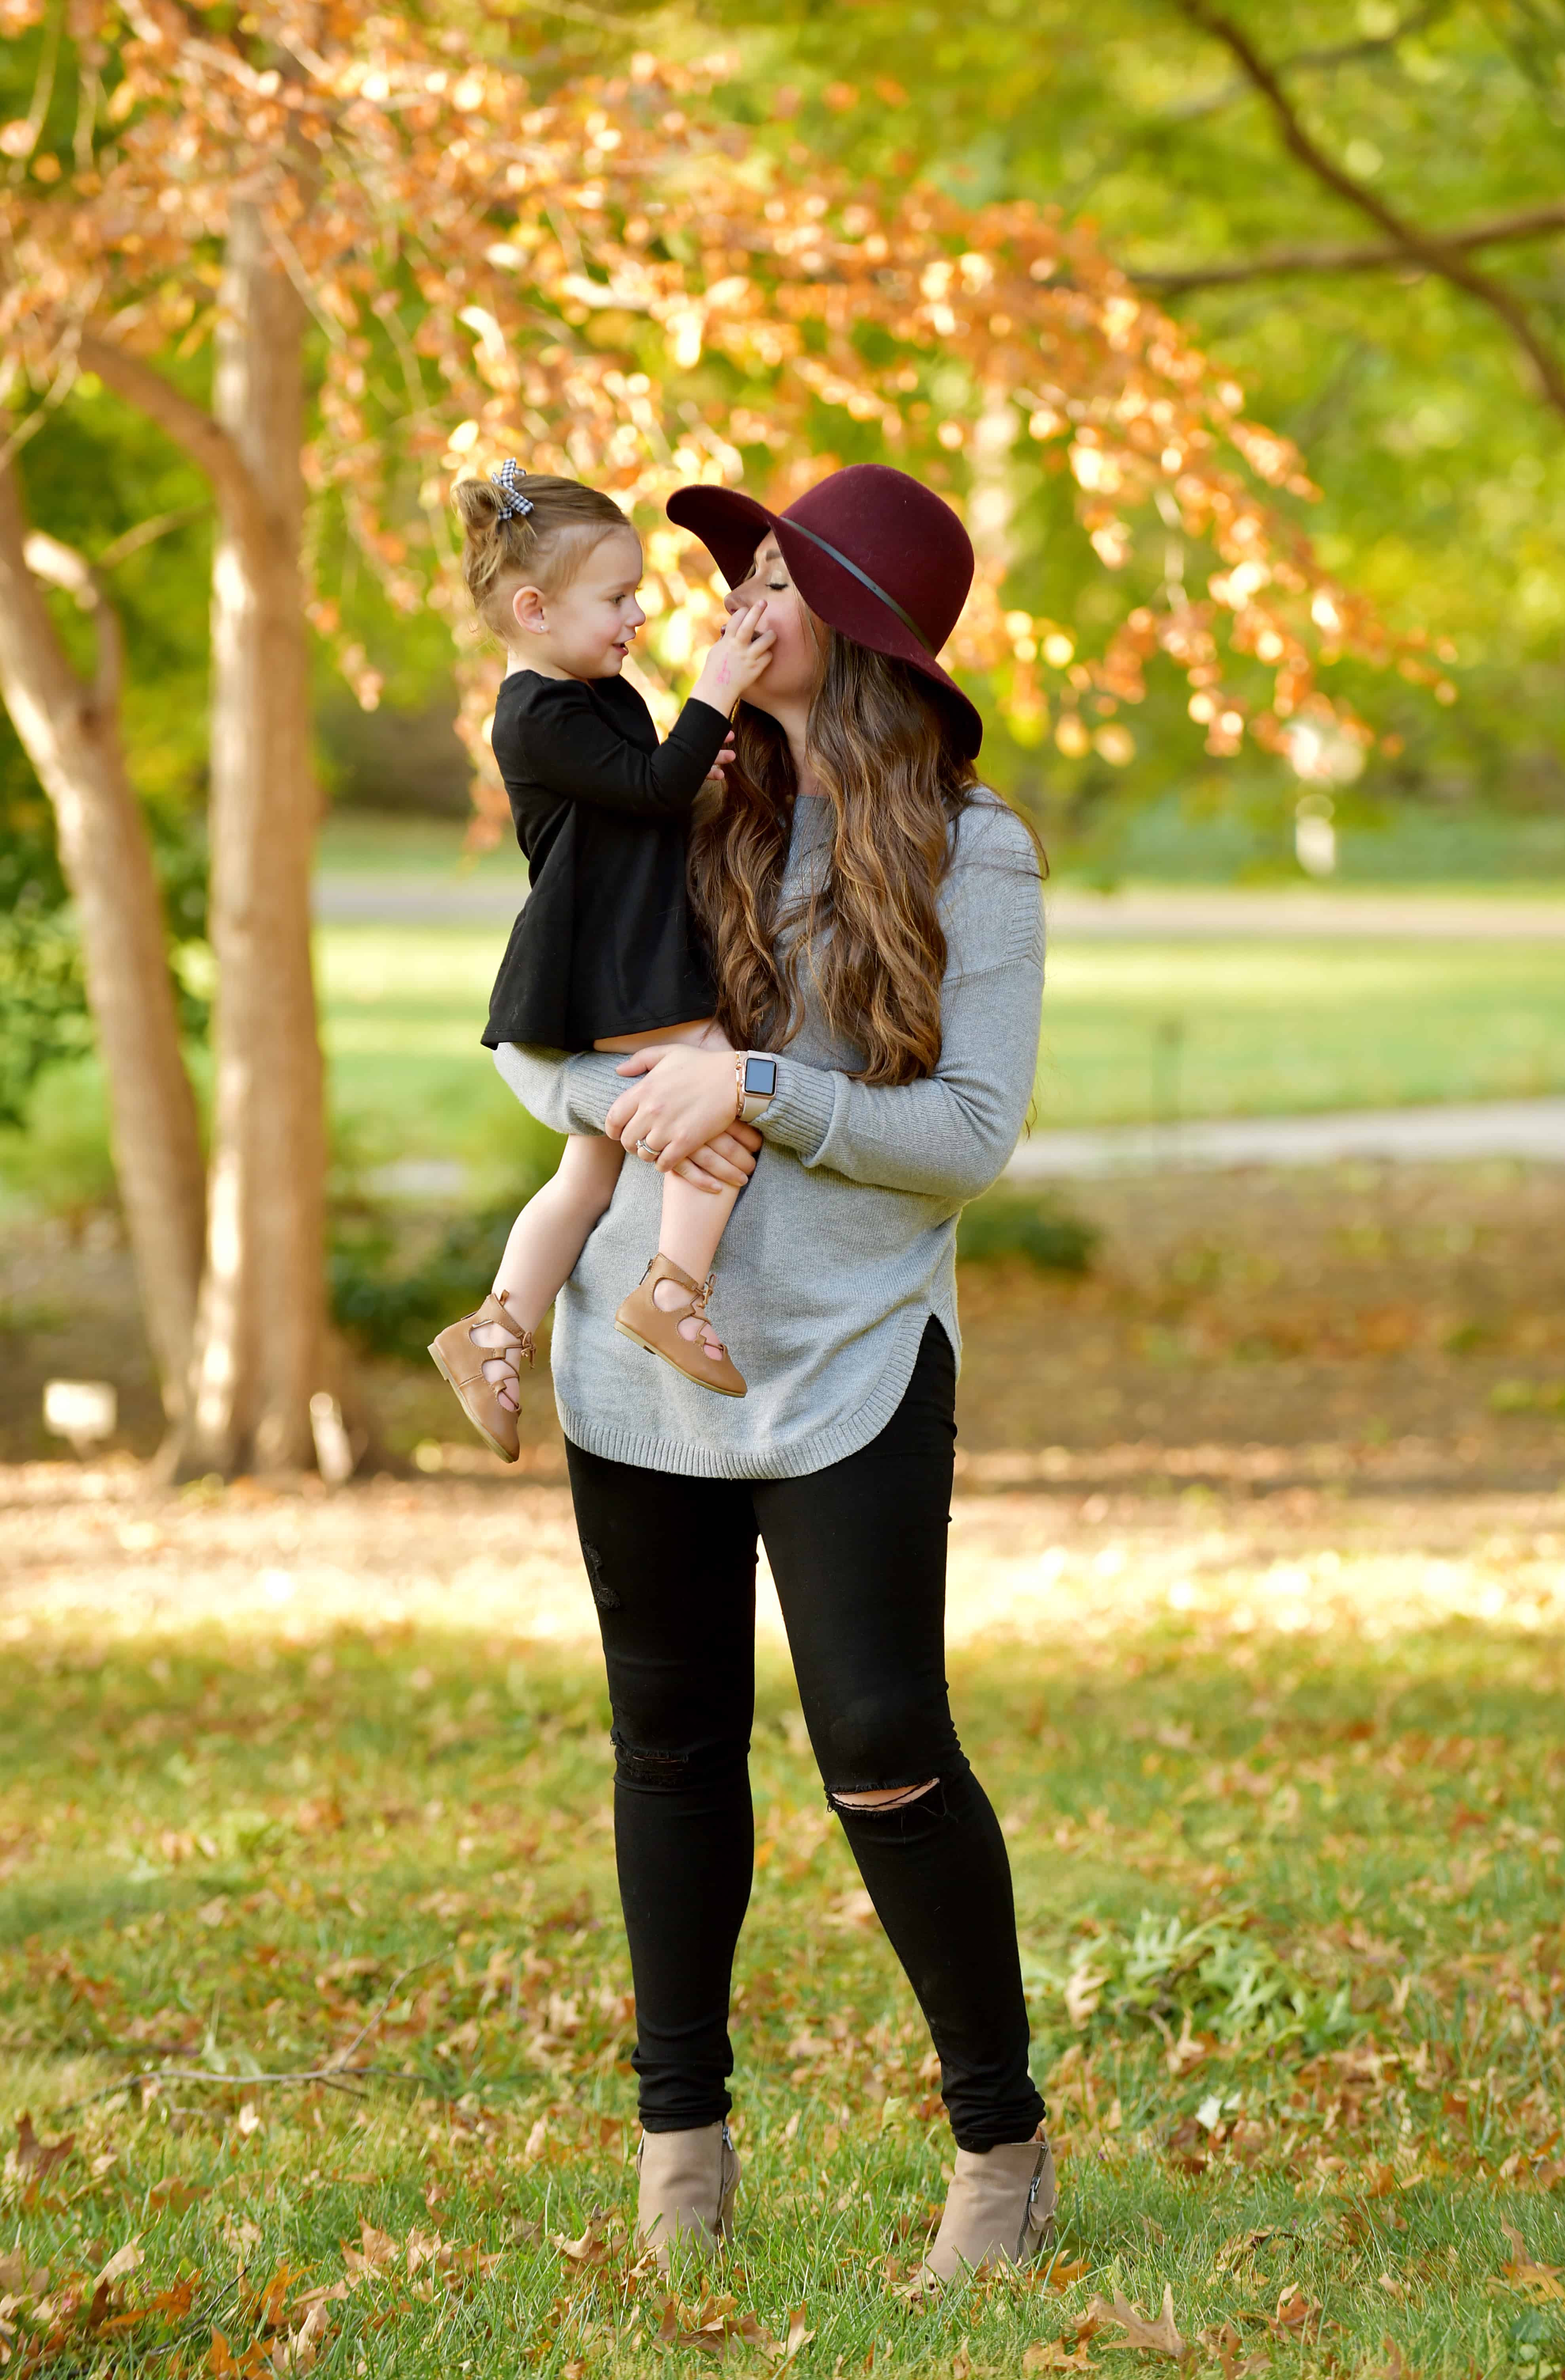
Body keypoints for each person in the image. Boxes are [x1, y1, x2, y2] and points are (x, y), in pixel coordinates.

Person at [494, 462, 1054, 2283]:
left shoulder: (977, 850)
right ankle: (681, 2144)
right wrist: (628, 1099)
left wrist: (759, 1088)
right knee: (666, 1744)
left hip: (849, 1363)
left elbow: (964, 1137)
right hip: (638, 1364)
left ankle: (997, 2141)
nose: (729, 589)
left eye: (772, 572)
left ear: (858, 631)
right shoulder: (662, 792)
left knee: (880, 1742)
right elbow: (532, 1041)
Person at [428, 464, 778, 1462]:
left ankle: (497, 1327)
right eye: (617, 597)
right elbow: (654, 782)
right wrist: (716, 692)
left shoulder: (592, 692)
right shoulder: (534, 709)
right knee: (719, 1090)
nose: (639, 613)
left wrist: (693, 783)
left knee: (588, 1171)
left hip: (616, 940)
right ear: (533, 609)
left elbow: (647, 799)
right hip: (610, 955)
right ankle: (672, 1287)